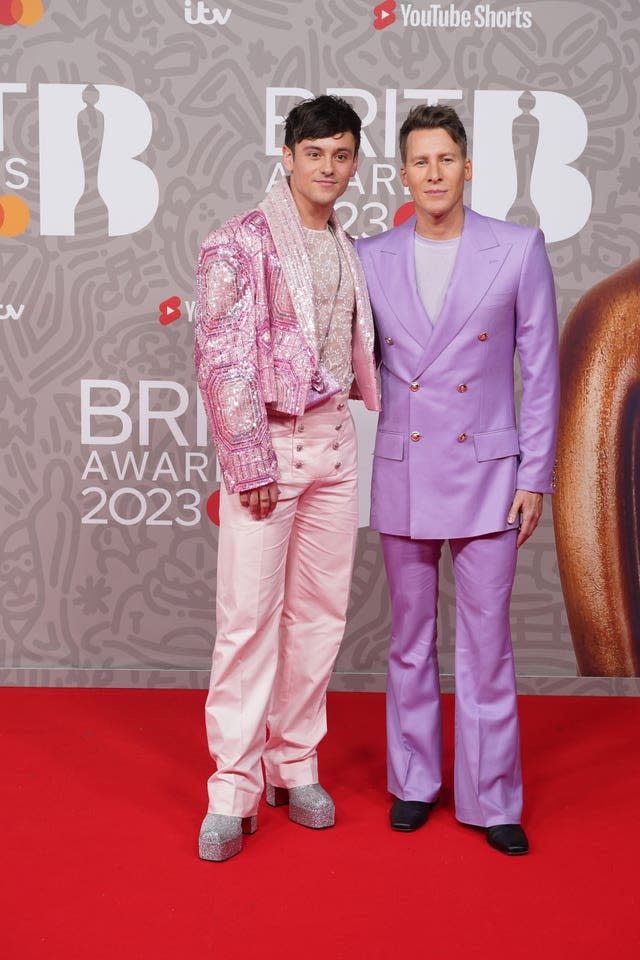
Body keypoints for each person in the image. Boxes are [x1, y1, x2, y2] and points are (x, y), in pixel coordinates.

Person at [356, 105, 559, 855]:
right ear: (403, 173)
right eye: (421, 161)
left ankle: (492, 795)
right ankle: (414, 781)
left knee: (486, 642)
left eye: (447, 159)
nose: (434, 173)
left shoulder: (516, 249)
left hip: (489, 474)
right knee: (409, 639)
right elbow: (352, 362)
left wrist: (534, 474)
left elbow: (541, 372)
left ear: (467, 167)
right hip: (405, 470)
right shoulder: (370, 256)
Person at [194, 95, 379, 861]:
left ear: (353, 163)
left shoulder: (348, 246)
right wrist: (247, 458)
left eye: (341, 155)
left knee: (319, 617)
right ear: (287, 154)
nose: (328, 168)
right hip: (268, 448)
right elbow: (221, 356)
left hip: (336, 446)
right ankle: (232, 790)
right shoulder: (238, 243)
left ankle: (294, 765)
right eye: (315, 154)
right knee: (246, 622)